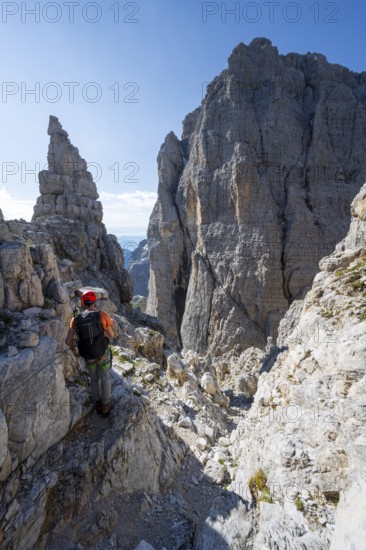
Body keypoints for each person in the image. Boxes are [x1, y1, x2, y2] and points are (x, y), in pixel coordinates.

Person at [65, 290, 114, 416]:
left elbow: (67, 341)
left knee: (93, 379)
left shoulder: (75, 320)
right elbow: (111, 334)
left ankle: (97, 404)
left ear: (83, 303)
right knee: (105, 379)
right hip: (103, 354)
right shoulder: (103, 315)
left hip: (88, 355)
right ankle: (105, 406)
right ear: (94, 302)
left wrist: (73, 347)